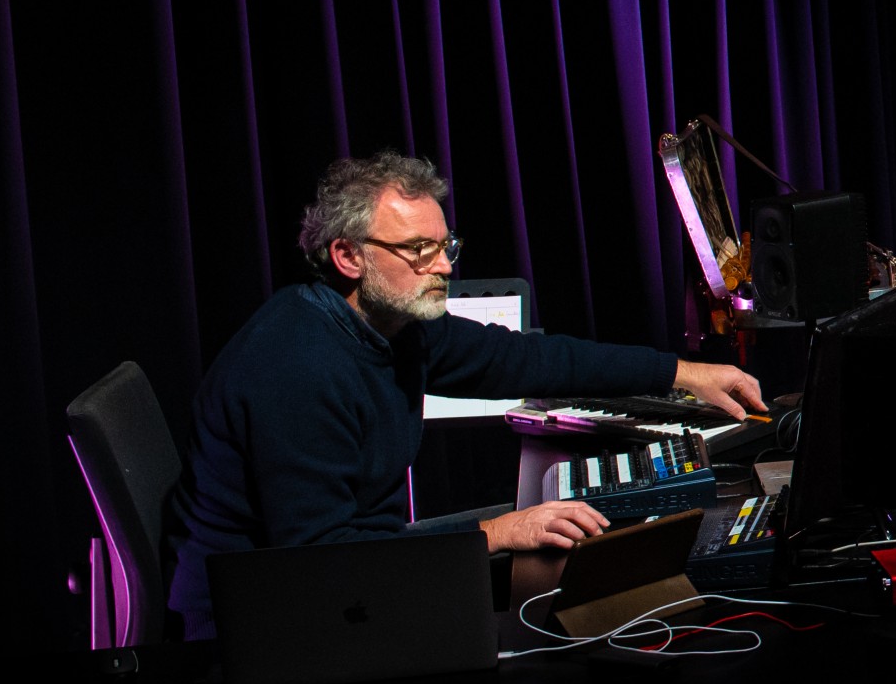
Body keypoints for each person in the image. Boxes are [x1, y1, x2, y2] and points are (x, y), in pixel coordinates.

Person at [167, 151, 764, 638]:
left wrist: (683, 372)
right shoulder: (295, 368)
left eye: (445, 245)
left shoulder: (397, 327)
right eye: (417, 250)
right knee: (558, 571)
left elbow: (526, 359)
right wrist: (497, 533)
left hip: (356, 565)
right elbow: (324, 560)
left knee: (589, 543)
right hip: (266, 620)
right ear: (348, 256)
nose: (443, 267)